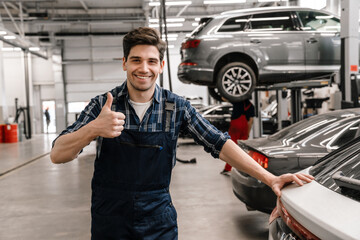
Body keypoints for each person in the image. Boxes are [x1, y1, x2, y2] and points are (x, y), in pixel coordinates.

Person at [50, 27, 313, 240]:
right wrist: (94, 129)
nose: (144, 68)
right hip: (110, 219)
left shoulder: (176, 108)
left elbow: (219, 143)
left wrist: (270, 179)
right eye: (136, 60)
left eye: (152, 61)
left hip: (157, 220)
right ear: (124, 63)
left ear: (161, 65)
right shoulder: (102, 105)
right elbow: (58, 154)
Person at [221, 99, 254, 176]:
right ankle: (247, 169)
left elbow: (224, 98)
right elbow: (251, 121)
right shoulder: (251, 106)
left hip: (235, 124)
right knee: (243, 149)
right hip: (245, 126)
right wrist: (247, 133)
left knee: (231, 148)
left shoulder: (237, 101)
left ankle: (227, 169)